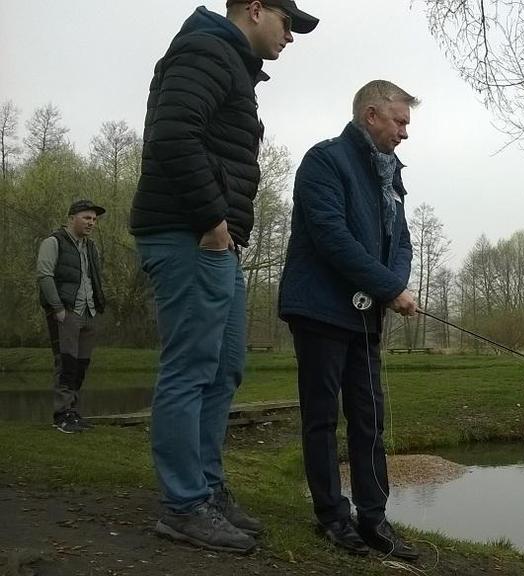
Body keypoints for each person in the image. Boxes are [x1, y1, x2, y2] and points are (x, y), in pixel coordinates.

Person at [130, 0, 318, 554]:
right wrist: (213, 222)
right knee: (190, 369)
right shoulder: (207, 48)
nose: (291, 35)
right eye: (288, 22)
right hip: (190, 234)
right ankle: (184, 506)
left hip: (215, 240)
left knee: (224, 368)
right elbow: (172, 137)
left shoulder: (231, 62)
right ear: (255, 9)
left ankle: (206, 490)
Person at [277, 80, 419, 561]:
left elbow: (401, 242)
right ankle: (332, 517)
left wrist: (392, 286)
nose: (405, 132)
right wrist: (388, 287)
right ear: (371, 115)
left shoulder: (392, 175)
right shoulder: (325, 161)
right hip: (319, 309)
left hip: (365, 316)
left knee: (369, 417)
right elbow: (331, 236)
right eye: (399, 121)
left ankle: (374, 518)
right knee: (321, 418)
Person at [36, 199, 107, 434]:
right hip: (66, 312)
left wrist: (98, 306)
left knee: (81, 365)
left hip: (89, 312)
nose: (92, 223)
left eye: (94, 219)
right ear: (72, 218)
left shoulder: (91, 247)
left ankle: (72, 412)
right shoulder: (53, 242)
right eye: (87, 217)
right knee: (65, 363)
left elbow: (93, 279)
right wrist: (57, 308)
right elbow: (45, 276)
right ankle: (61, 414)